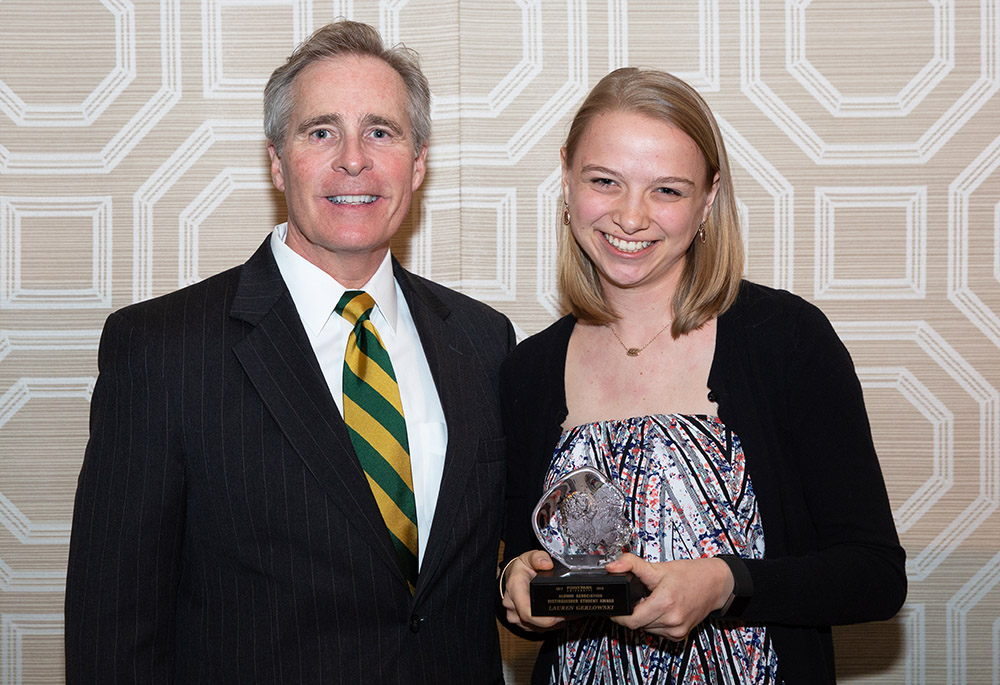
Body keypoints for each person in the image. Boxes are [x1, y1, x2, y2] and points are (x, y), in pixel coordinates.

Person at [65, 20, 514, 684]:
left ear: (418, 162)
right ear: (277, 160)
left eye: (381, 132)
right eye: (321, 131)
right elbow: (114, 636)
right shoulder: (161, 352)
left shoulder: (482, 341)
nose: (354, 159)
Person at [498, 67, 906, 684]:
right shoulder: (525, 370)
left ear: (709, 200)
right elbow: (514, 565)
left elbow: (875, 576)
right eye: (605, 181)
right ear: (566, 179)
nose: (630, 217)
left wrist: (725, 583)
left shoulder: (786, 340)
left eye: (667, 190)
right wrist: (516, 589)